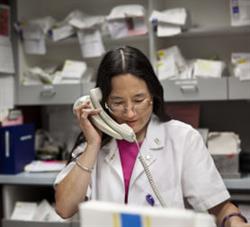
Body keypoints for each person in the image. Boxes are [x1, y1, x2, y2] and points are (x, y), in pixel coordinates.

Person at [54, 46, 249, 227]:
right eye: (117, 102)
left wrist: (234, 220)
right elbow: (64, 208)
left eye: (138, 99)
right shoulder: (92, 145)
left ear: (153, 95)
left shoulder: (182, 138)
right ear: (101, 102)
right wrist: (93, 144)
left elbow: (220, 207)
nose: (130, 113)